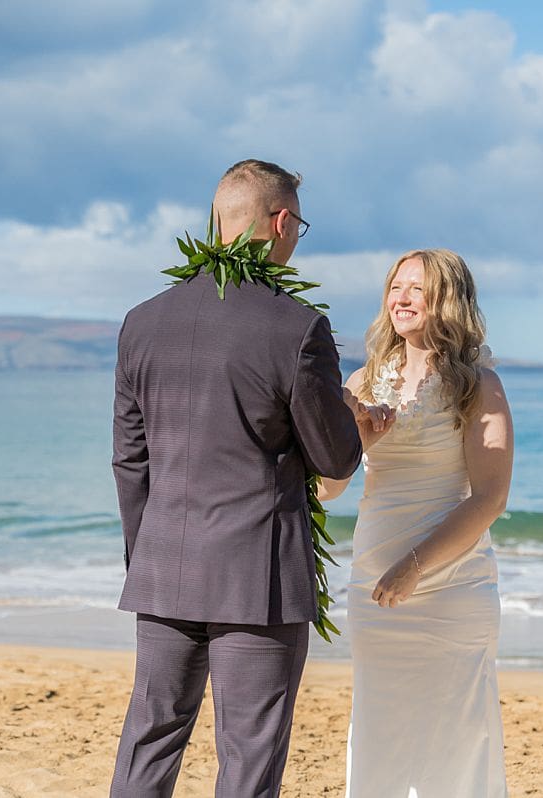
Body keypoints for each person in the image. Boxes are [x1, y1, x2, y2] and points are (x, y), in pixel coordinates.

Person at [110, 159, 364, 797]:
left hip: (163, 568)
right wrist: (360, 425)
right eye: (298, 227)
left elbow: (130, 460)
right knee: (250, 755)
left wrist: (149, 558)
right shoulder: (297, 327)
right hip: (260, 579)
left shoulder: (141, 322)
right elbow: (333, 459)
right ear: (280, 221)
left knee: (149, 739)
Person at [319, 248, 514, 797]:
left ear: (446, 301)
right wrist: (356, 441)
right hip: (374, 588)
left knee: (457, 739)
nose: (401, 298)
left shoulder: (479, 385)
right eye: (395, 287)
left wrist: (415, 566)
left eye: (418, 289)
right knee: (381, 733)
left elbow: (490, 498)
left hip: (453, 590)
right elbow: (328, 488)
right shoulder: (361, 381)